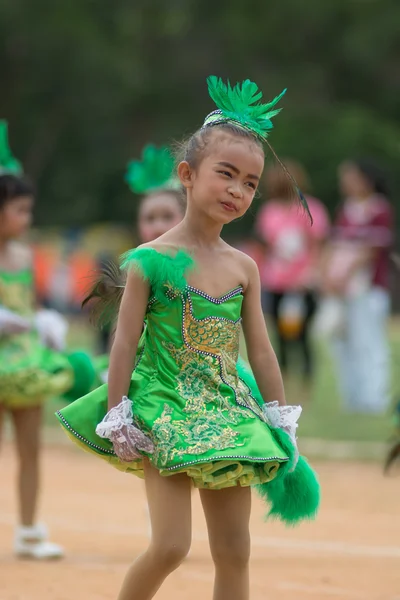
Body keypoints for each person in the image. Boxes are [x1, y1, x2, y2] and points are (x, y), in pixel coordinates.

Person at [56, 77, 320, 600]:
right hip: (164, 412)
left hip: (228, 414)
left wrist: (280, 416)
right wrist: (118, 413)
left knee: (235, 551)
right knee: (171, 546)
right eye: (226, 174)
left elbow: (262, 349)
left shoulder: (245, 267)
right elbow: (125, 345)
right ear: (187, 174)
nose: (237, 191)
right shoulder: (149, 261)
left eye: (249, 182)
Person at [0, 121, 97, 559]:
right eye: (19, 210)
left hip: (25, 362)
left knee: (30, 448)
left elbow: (26, 302)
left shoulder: (23, 255)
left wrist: (43, 321)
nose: (27, 218)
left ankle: (28, 529)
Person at [89, 144, 186, 352]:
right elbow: (120, 335)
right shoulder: (134, 269)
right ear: (138, 224)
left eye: (167, 216)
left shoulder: (201, 265)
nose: (158, 226)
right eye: (149, 219)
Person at [321, 158, 394, 414]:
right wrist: (328, 276)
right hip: (343, 291)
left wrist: (344, 274)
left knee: (369, 342)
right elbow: (333, 244)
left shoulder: (379, 209)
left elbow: (372, 250)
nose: (345, 182)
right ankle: (352, 397)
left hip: (369, 289)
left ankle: (374, 398)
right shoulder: (347, 209)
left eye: (350, 176)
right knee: (344, 343)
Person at [255, 160, 329, 387]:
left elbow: (318, 245)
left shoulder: (310, 208)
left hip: (303, 284)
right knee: (280, 334)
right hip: (276, 283)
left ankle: (307, 377)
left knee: (303, 333)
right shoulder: (269, 212)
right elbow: (264, 247)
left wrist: (311, 273)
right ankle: (284, 374)